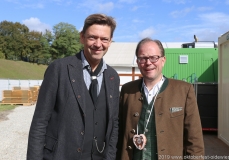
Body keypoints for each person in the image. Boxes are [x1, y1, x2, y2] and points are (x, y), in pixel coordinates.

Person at [27, 13, 120, 160]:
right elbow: (40, 122)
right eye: (92, 37)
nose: (98, 44)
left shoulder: (113, 77)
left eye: (104, 39)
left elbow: (113, 124)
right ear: (82, 37)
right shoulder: (58, 69)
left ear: (110, 42)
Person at [117, 38, 204, 160]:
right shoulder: (127, 90)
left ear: (163, 60)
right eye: (143, 58)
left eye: (154, 57)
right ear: (137, 61)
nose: (148, 63)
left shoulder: (184, 90)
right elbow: (119, 132)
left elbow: (194, 139)